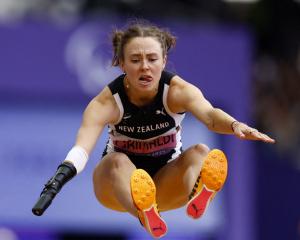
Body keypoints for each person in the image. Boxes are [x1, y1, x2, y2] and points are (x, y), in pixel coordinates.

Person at [33, 21, 275, 238]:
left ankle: (199, 194)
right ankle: (144, 215)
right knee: (116, 161)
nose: (145, 67)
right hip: (117, 189)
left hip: (165, 185)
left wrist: (235, 125)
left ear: (164, 61)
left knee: (201, 152)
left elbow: (211, 117)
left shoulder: (178, 91)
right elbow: (82, 148)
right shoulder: (106, 102)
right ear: (121, 63)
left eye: (152, 59)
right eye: (135, 60)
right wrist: (58, 179)